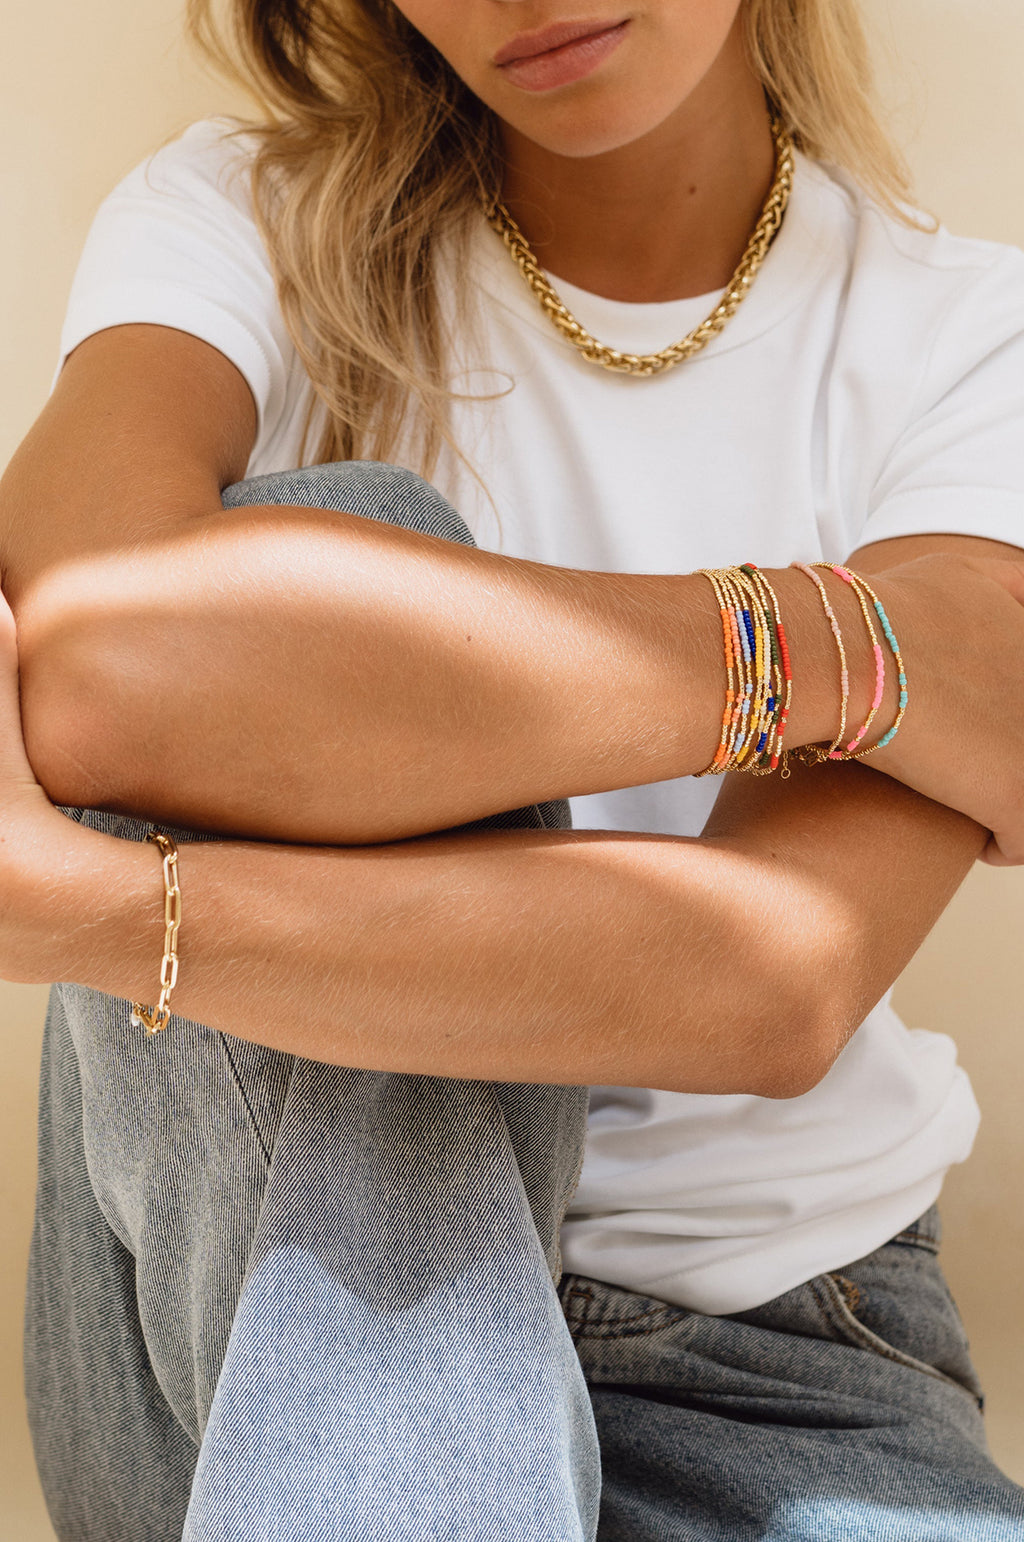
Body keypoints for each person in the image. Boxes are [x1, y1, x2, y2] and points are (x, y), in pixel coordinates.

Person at [2, 0, 1024, 1536]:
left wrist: (100, 906)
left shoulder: (970, 342)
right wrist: (823, 650)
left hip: (781, 1354)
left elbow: (769, 984)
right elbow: (101, 665)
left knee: (308, 602)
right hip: (226, 1302)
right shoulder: (237, 228)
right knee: (364, 526)